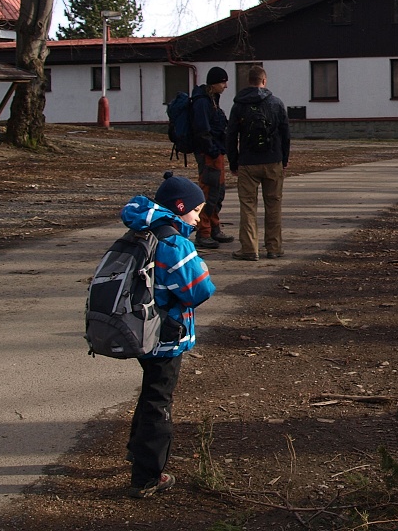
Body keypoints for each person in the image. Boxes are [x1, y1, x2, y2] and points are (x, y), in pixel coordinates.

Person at [119, 173, 216, 498]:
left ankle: (137, 451)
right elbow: (199, 290)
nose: (198, 217)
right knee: (159, 402)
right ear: (180, 206)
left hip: (142, 328)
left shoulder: (142, 229)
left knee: (149, 394)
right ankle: (147, 475)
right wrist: (198, 264)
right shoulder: (174, 243)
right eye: (196, 210)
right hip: (165, 335)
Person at [227, 65, 291, 261]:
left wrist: (233, 161)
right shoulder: (276, 103)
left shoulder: (239, 105)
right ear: (264, 81)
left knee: (248, 206)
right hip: (273, 161)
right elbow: (285, 134)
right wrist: (284, 159)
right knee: (273, 204)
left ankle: (249, 249)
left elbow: (230, 135)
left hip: (247, 162)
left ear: (249, 81)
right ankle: (274, 247)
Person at [191, 66, 233, 250]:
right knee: (209, 191)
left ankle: (214, 228)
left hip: (215, 152)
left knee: (218, 191)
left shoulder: (210, 99)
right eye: (223, 82)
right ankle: (204, 232)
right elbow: (202, 130)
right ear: (214, 83)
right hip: (209, 154)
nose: (225, 86)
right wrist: (214, 150)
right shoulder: (202, 102)